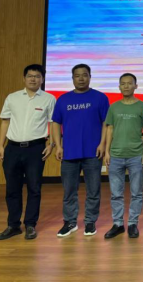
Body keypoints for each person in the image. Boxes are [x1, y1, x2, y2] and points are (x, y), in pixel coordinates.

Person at [0, 64, 56, 241]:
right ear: (24, 78)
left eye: (37, 76)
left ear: (42, 79)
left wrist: (51, 144)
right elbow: (5, 122)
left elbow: (53, 123)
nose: (33, 79)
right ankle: (13, 225)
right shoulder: (12, 97)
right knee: (12, 188)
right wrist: (1, 145)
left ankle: (30, 224)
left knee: (34, 188)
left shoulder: (49, 99)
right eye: (30, 76)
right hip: (12, 148)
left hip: (36, 148)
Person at [51, 64, 109, 237]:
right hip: (69, 153)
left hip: (93, 153)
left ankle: (90, 222)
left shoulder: (100, 98)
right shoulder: (63, 99)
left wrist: (102, 144)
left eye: (85, 75)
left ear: (90, 77)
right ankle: (70, 222)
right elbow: (56, 123)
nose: (81, 78)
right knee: (69, 190)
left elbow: (106, 123)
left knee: (93, 190)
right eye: (77, 75)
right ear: (72, 78)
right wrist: (58, 145)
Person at [104, 73, 143, 239]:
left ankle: (132, 224)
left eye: (129, 83)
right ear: (119, 87)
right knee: (116, 193)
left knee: (136, 192)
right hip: (115, 155)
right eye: (123, 84)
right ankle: (118, 224)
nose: (126, 86)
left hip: (136, 155)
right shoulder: (114, 107)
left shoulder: (142, 106)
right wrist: (107, 151)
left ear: (135, 86)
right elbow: (109, 129)